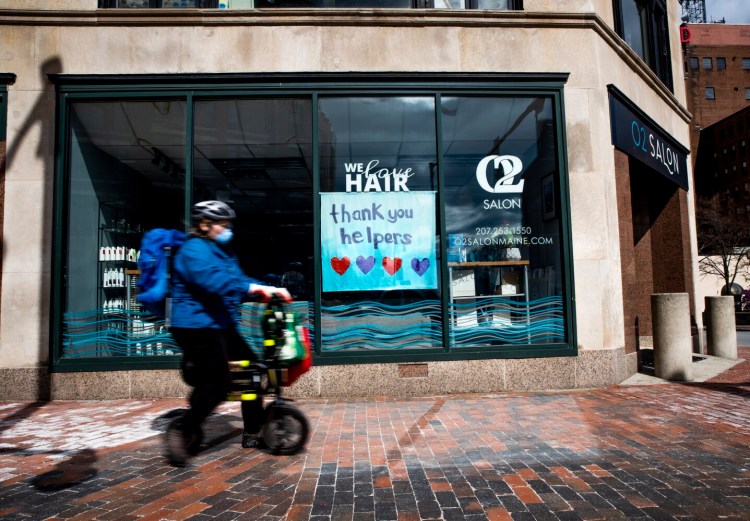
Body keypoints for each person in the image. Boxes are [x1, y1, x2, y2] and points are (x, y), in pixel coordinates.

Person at [165, 200, 291, 467]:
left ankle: (253, 433)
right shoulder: (193, 250)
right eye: (223, 224)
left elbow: (237, 284)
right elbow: (213, 282)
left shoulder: (222, 251)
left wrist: (264, 293)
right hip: (195, 326)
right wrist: (258, 289)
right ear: (204, 224)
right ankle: (183, 428)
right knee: (219, 383)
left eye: (228, 225)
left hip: (220, 323)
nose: (227, 229)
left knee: (254, 371)